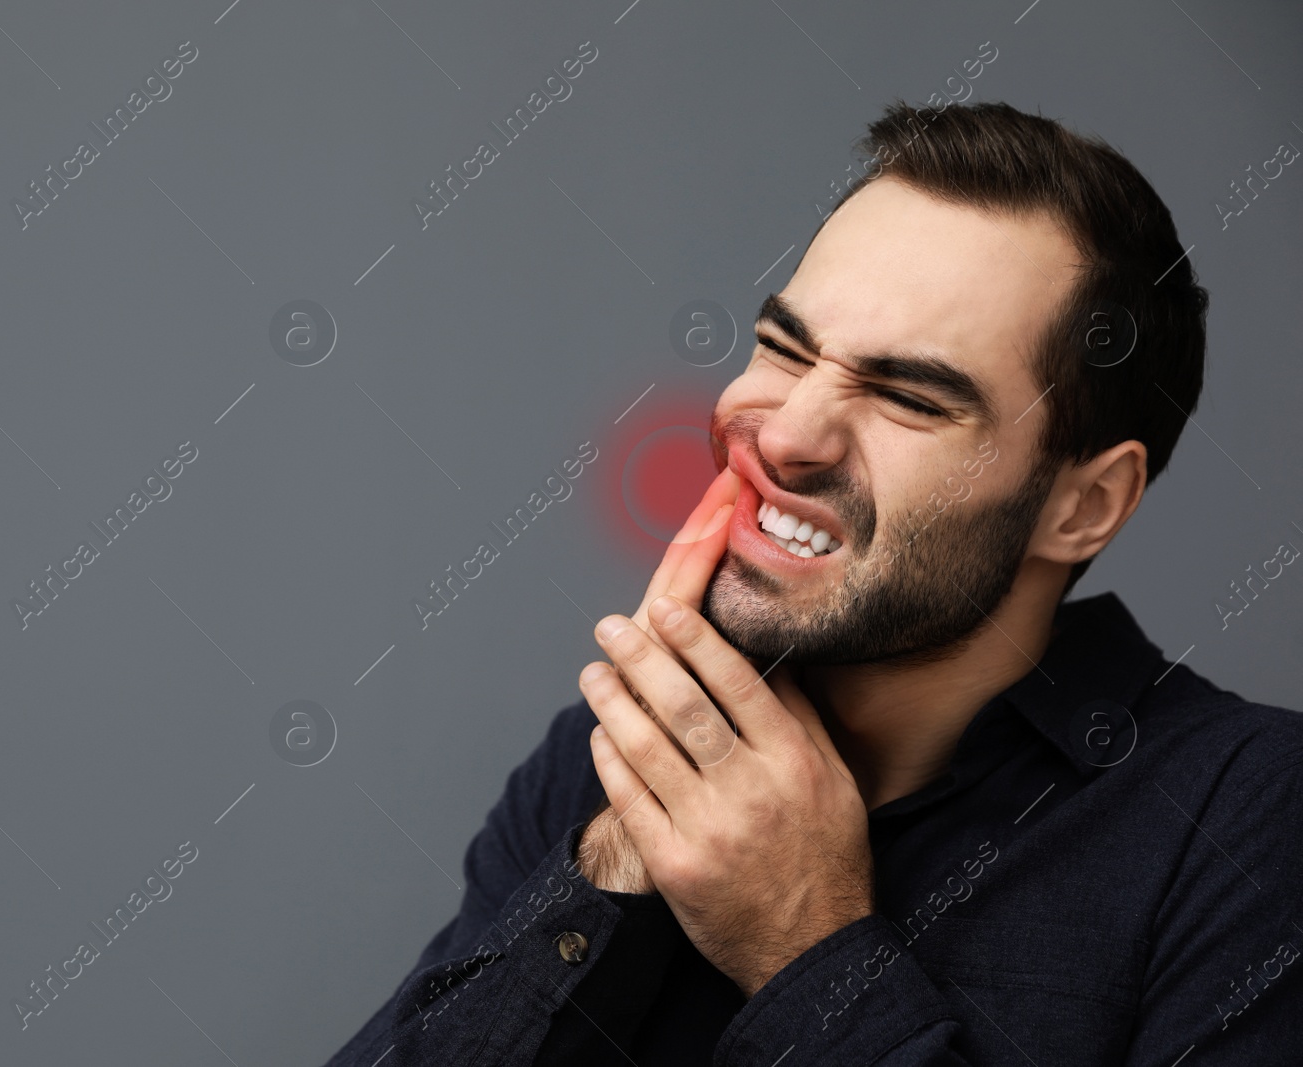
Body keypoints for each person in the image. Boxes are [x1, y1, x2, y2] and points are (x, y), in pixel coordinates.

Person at [326, 101, 1303, 1065]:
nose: (785, 431)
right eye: (785, 348)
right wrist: (613, 873)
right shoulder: (611, 759)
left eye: (910, 397)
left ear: (1082, 504)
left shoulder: (1248, 816)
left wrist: (807, 948)